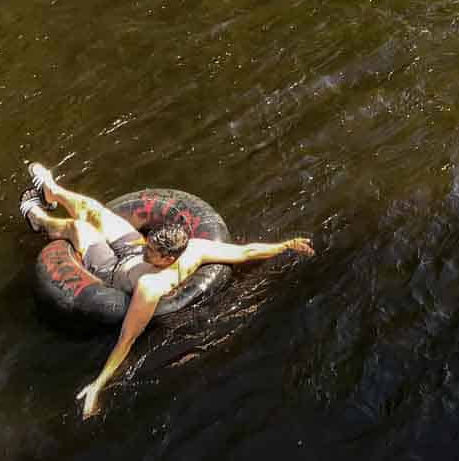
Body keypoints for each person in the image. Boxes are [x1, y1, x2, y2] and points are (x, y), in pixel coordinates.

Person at [18, 163, 314, 419]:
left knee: (77, 228)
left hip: (111, 270)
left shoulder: (152, 285)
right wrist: (285, 245)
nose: (149, 251)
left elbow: (127, 338)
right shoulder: (161, 248)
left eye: (154, 253)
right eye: (150, 246)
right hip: (127, 250)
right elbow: (247, 251)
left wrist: (98, 385)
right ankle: (52, 190)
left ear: (169, 259)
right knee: (93, 210)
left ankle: (36, 217)